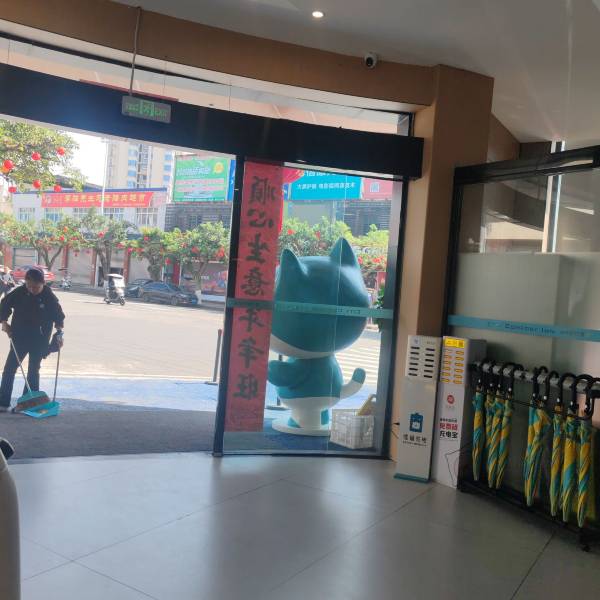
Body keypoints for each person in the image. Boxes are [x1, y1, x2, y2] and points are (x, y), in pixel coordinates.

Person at [0, 267, 64, 412]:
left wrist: (59, 333)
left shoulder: (49, 296)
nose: (32, 289)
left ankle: (27, 403)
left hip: (40, 338)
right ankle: (3, 402)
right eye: (29, 286)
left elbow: (58, 315)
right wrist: (4, 322)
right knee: (9, 369)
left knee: (33, 370)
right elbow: (4, 305)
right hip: (19, 336)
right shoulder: (20, 292)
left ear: (43, 283)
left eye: (36, 287)